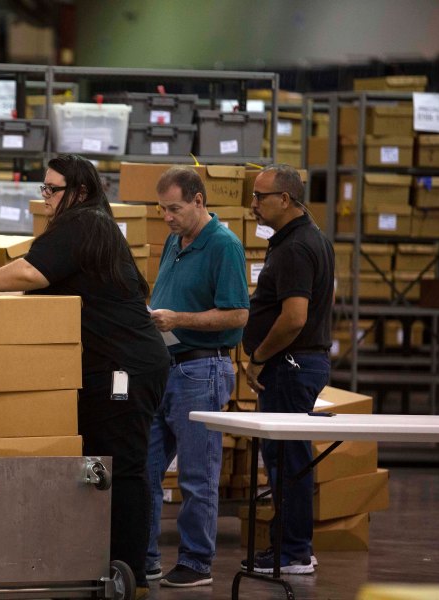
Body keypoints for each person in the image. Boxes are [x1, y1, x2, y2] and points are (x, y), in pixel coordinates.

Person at [0, 154, 170, 595]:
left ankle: (131, 573)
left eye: (53, 189)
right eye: (43, 188)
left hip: (123, 364)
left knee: (122, 465)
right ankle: (98, 563)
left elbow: (33, 271)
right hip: (103, 363)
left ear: (80, 191)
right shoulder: (88, 225)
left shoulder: (85, 222)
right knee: (94, 462)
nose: (46, 197)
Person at [145, 167, 250, 588]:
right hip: (164, 367)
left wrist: (178, 318)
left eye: (174, 209)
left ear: (198, 201)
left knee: (197, 473)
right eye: (162, 210)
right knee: (145, 467)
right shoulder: (175, 241)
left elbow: (238, 314)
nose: (167, 217)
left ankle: (196, 561)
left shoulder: (224, 245)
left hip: (201, 369)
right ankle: (144, 555)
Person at [242, 164, 334, 574]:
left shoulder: (297, 247)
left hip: (290, 365)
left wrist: (259, 356)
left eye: (261, 197)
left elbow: (294, 317)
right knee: (286, 457)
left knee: (286, 458)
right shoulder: (304, 238)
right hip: (299, 363)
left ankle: (293, 551)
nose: (253, 204)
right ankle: (293, 546)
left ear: (285, 199)